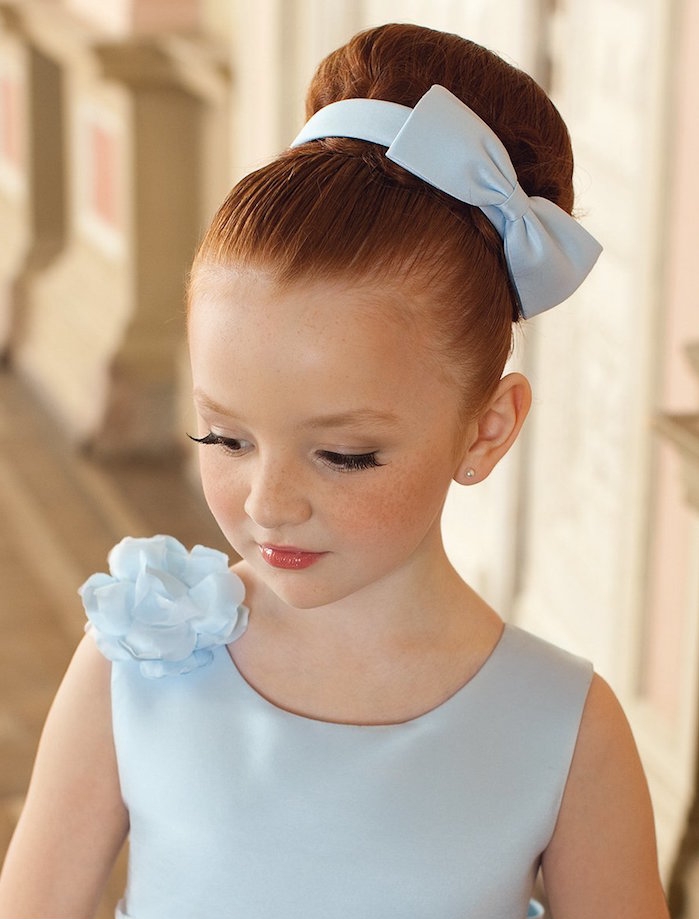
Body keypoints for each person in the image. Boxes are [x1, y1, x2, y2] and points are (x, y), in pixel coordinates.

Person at [0, 22, 669, 919]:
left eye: (345, 454)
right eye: (224, 438)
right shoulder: (136, 660)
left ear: (487, 429)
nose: (268, 503)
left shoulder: (564, 731)